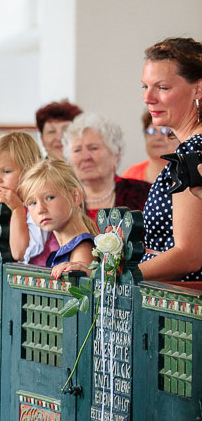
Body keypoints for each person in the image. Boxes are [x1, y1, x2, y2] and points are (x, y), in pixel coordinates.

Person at [138, 37, 202, 282]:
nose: (148, 98)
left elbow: (188, 255)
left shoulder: (193, 152)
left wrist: (116, 274)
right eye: (144, 86)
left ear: (197, 89)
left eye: (162, 88)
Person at [62, 112, 150, 222]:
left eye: (93, 148)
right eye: (77, 150)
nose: (85, 157)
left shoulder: (145, 194)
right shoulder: (62, 200)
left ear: (116, 153)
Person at [18, 159, 97, 279]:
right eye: (32, 202)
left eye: (50, 197)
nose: (40, 209)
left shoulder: (82, 249)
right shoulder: (64, 248)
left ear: (75, 197)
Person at [0, 131, 49, 264]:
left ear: (29, 170)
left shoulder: (38, 205)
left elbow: (19, 253)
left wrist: (17, 209)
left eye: (6, 171)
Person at [122, 110, 177, 183]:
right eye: (152, 131)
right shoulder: (131, 175)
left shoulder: (188, 174)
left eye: (165, 131)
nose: (158, 137)